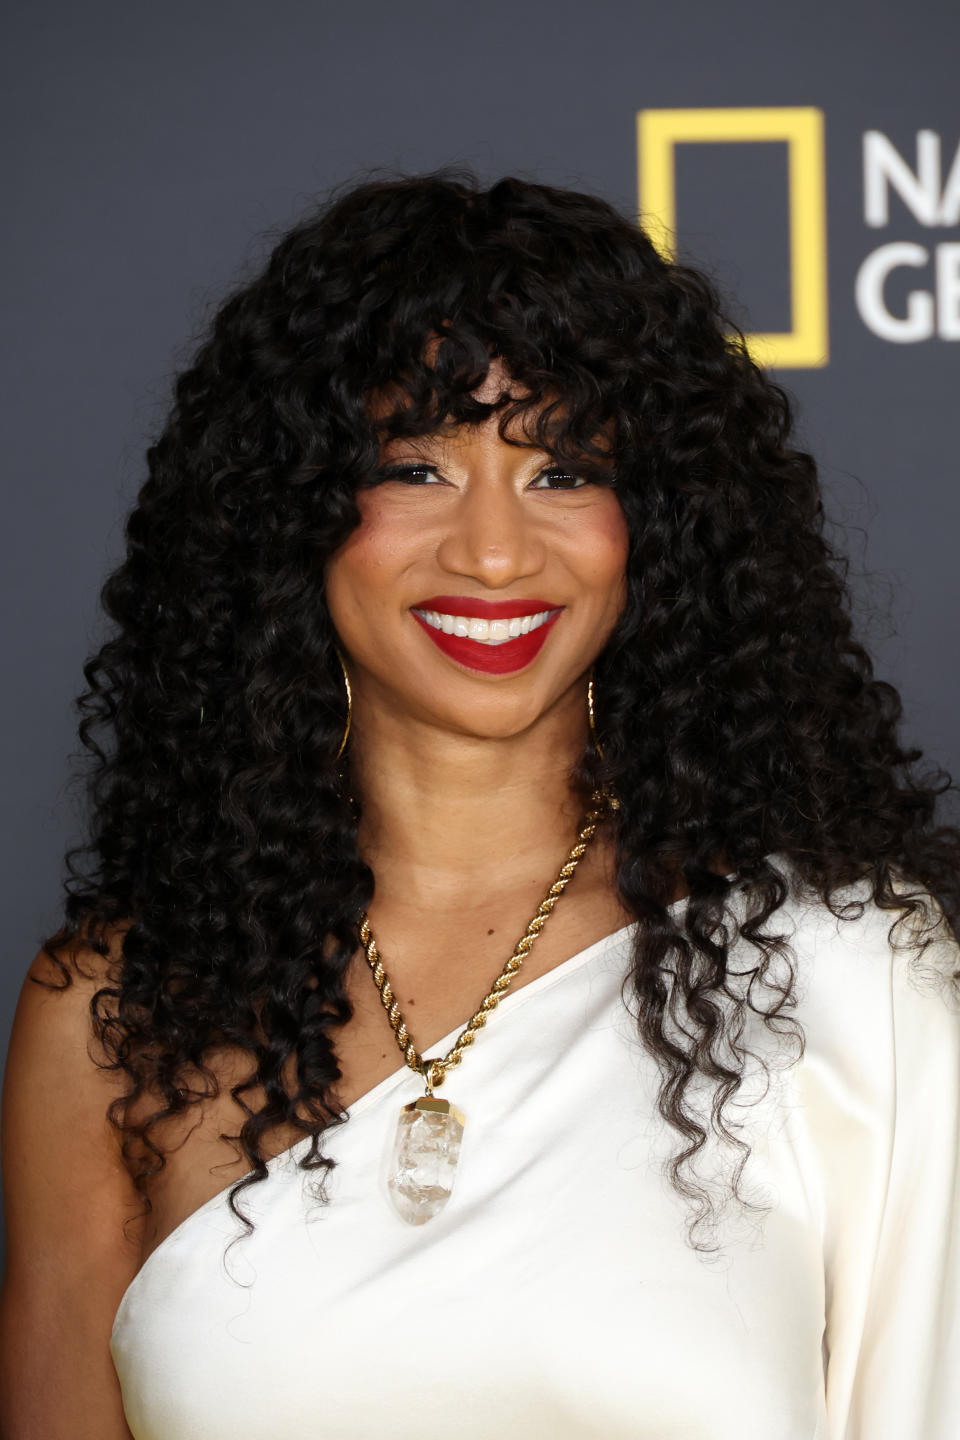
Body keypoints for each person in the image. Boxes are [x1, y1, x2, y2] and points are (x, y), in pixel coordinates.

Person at [1, 168, 958, 1440]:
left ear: (656, 526)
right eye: (415, 467)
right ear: (291, 517)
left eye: (563, 472)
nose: (497, 552)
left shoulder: (849, 973)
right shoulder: (120, 1015)